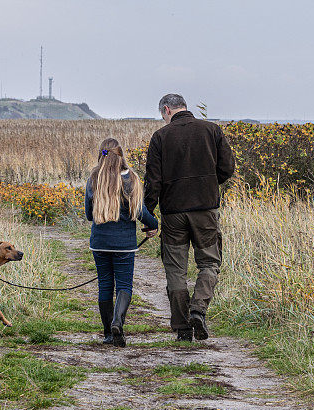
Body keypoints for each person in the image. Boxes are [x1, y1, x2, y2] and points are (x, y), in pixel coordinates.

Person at [143, 94, 235, 341]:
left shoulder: (160, 137)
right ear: (185, 107)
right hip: (205, 211)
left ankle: (183, 327)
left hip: (173, 213)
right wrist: (208, 185)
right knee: (209, 263)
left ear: (166, 109)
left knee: (175, 269)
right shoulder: (212, 130)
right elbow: (227, 168)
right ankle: (198, 310)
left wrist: (147, 213)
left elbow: (153, 180)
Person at [85, 138, 158, 347]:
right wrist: (153, 224)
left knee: (105, 285)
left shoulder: (93, 178)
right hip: (125, 243)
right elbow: (141, 212)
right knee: (124, 285)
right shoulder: (132, 178)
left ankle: (108, 333)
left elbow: (89, 215)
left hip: (100, 242)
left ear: (101, 154)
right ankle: (118, 322)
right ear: (121, 155)